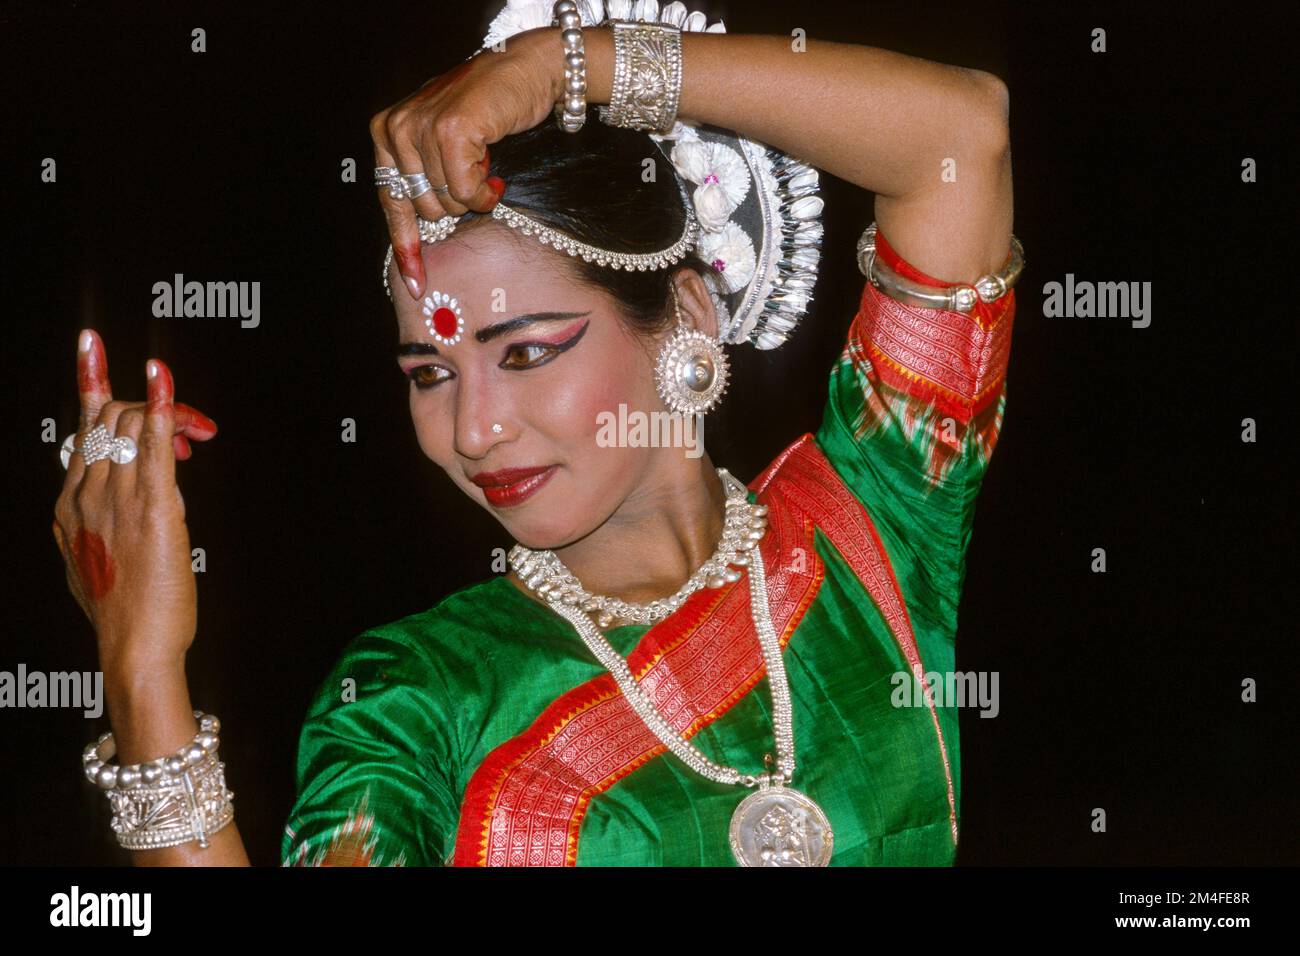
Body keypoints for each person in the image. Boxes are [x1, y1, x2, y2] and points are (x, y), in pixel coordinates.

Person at [53, 0, 1016, 867]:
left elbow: (959, 136)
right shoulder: (419, 698)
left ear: (686, 314)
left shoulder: (875, 524)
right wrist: (141, 679)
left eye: (526, 353)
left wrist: (564, 66)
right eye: (429, 375)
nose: (473, 429)